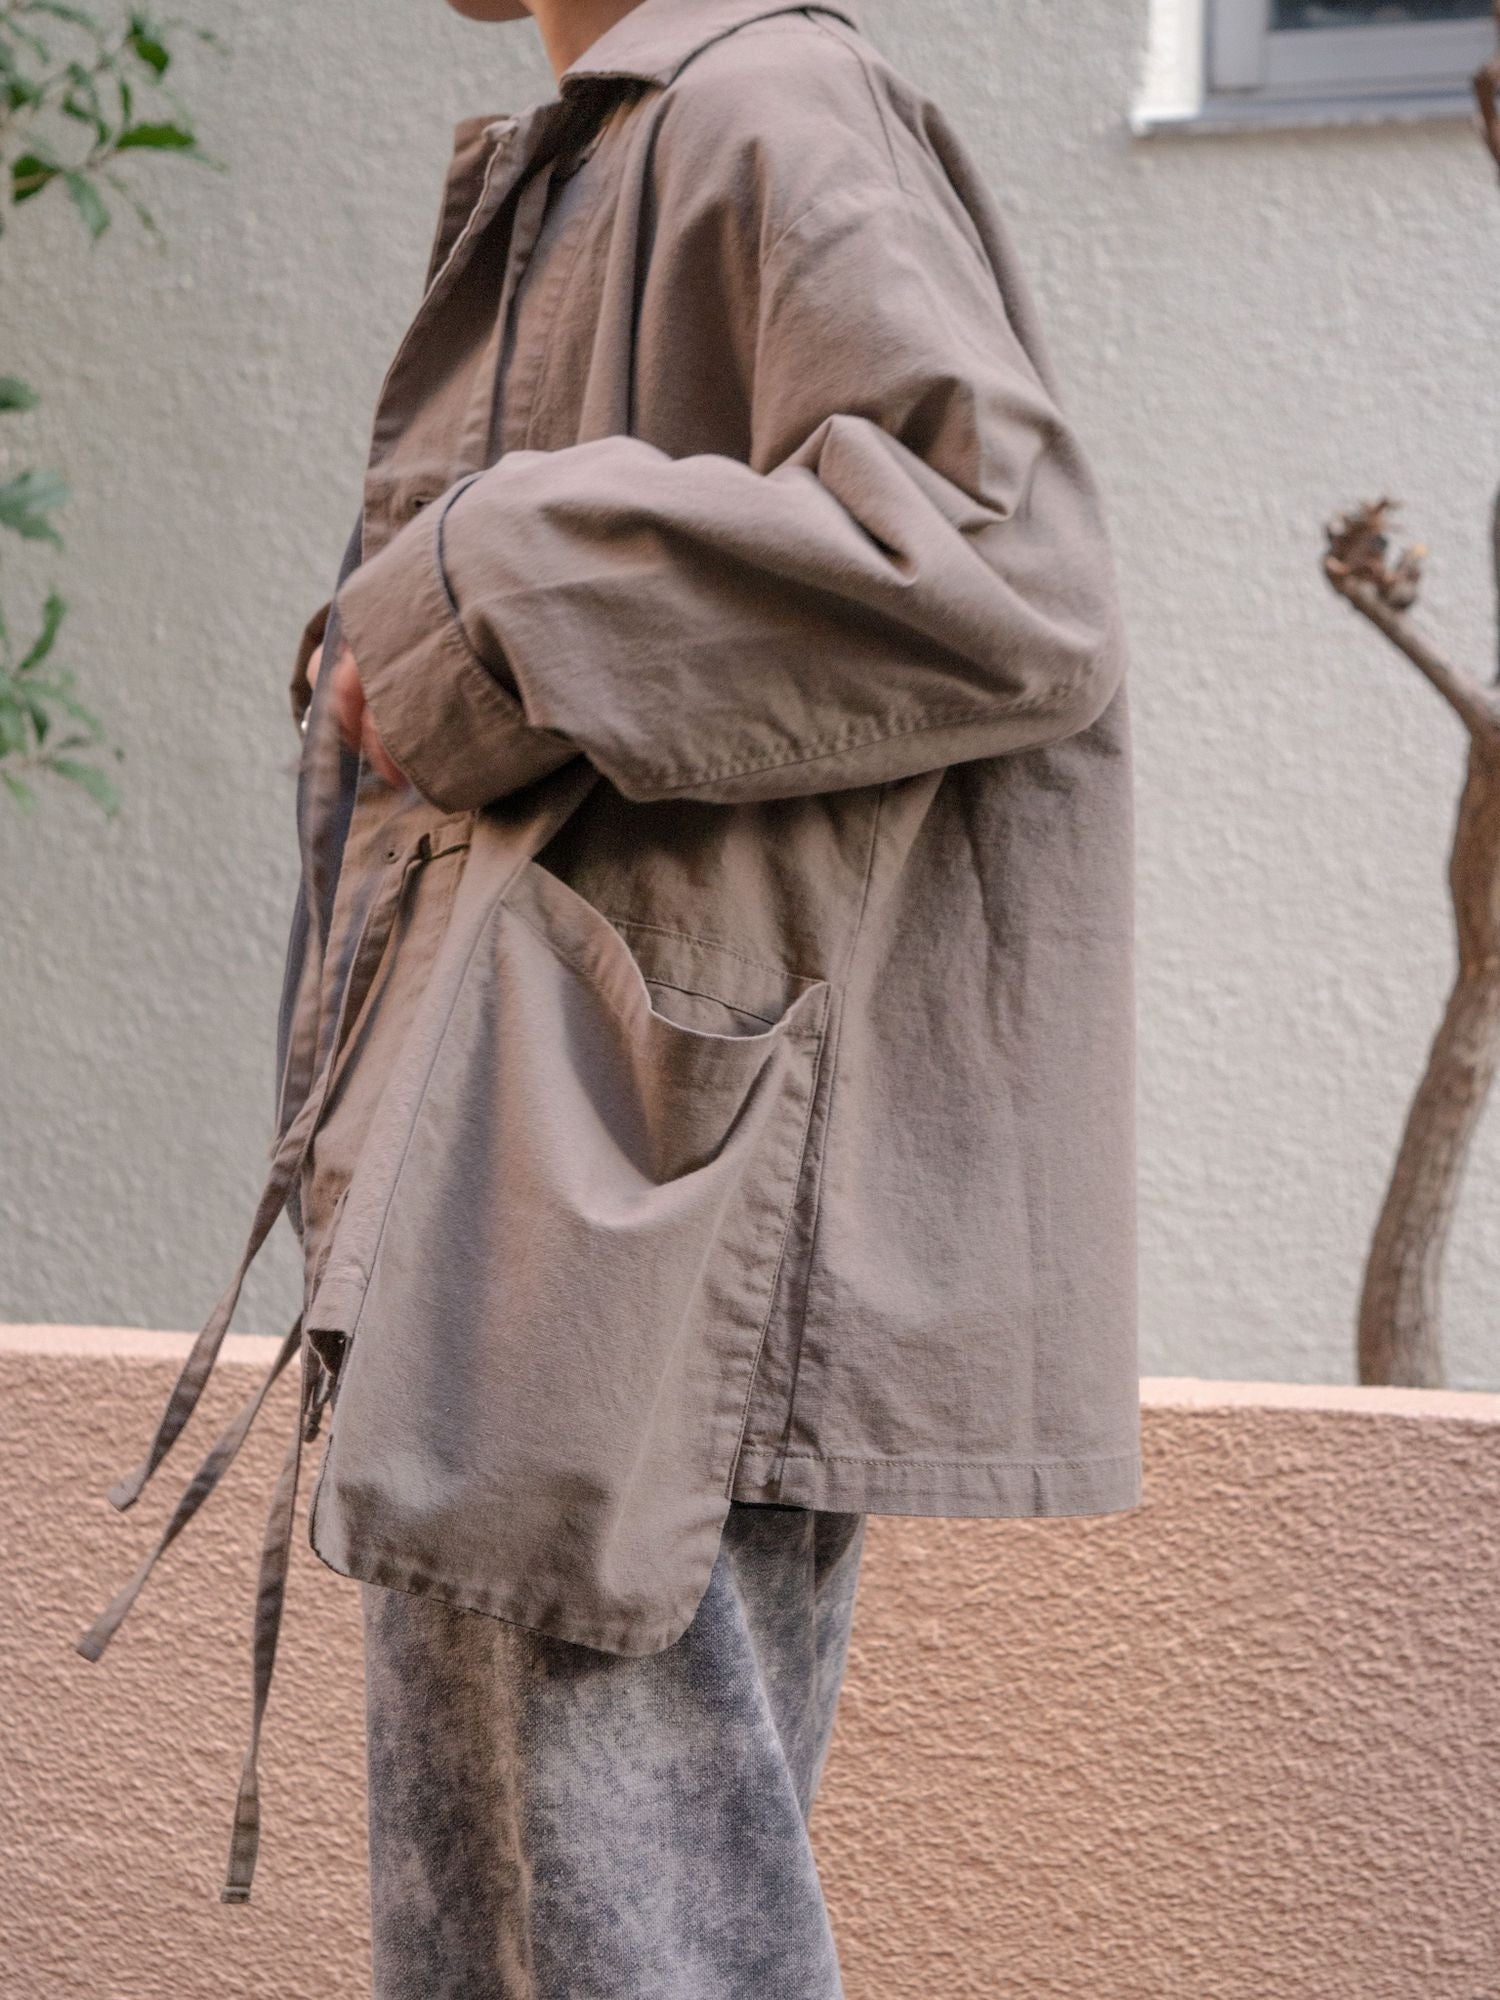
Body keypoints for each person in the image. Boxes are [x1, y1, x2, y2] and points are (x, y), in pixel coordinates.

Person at [81, 0, 1139, 1992]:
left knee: (624, 1950)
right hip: (562, 1188)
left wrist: (480, 596)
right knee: (537, 1942)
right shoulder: (629, 142)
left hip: (643, 1225)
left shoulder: (767, 106)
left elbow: (1009, 568)